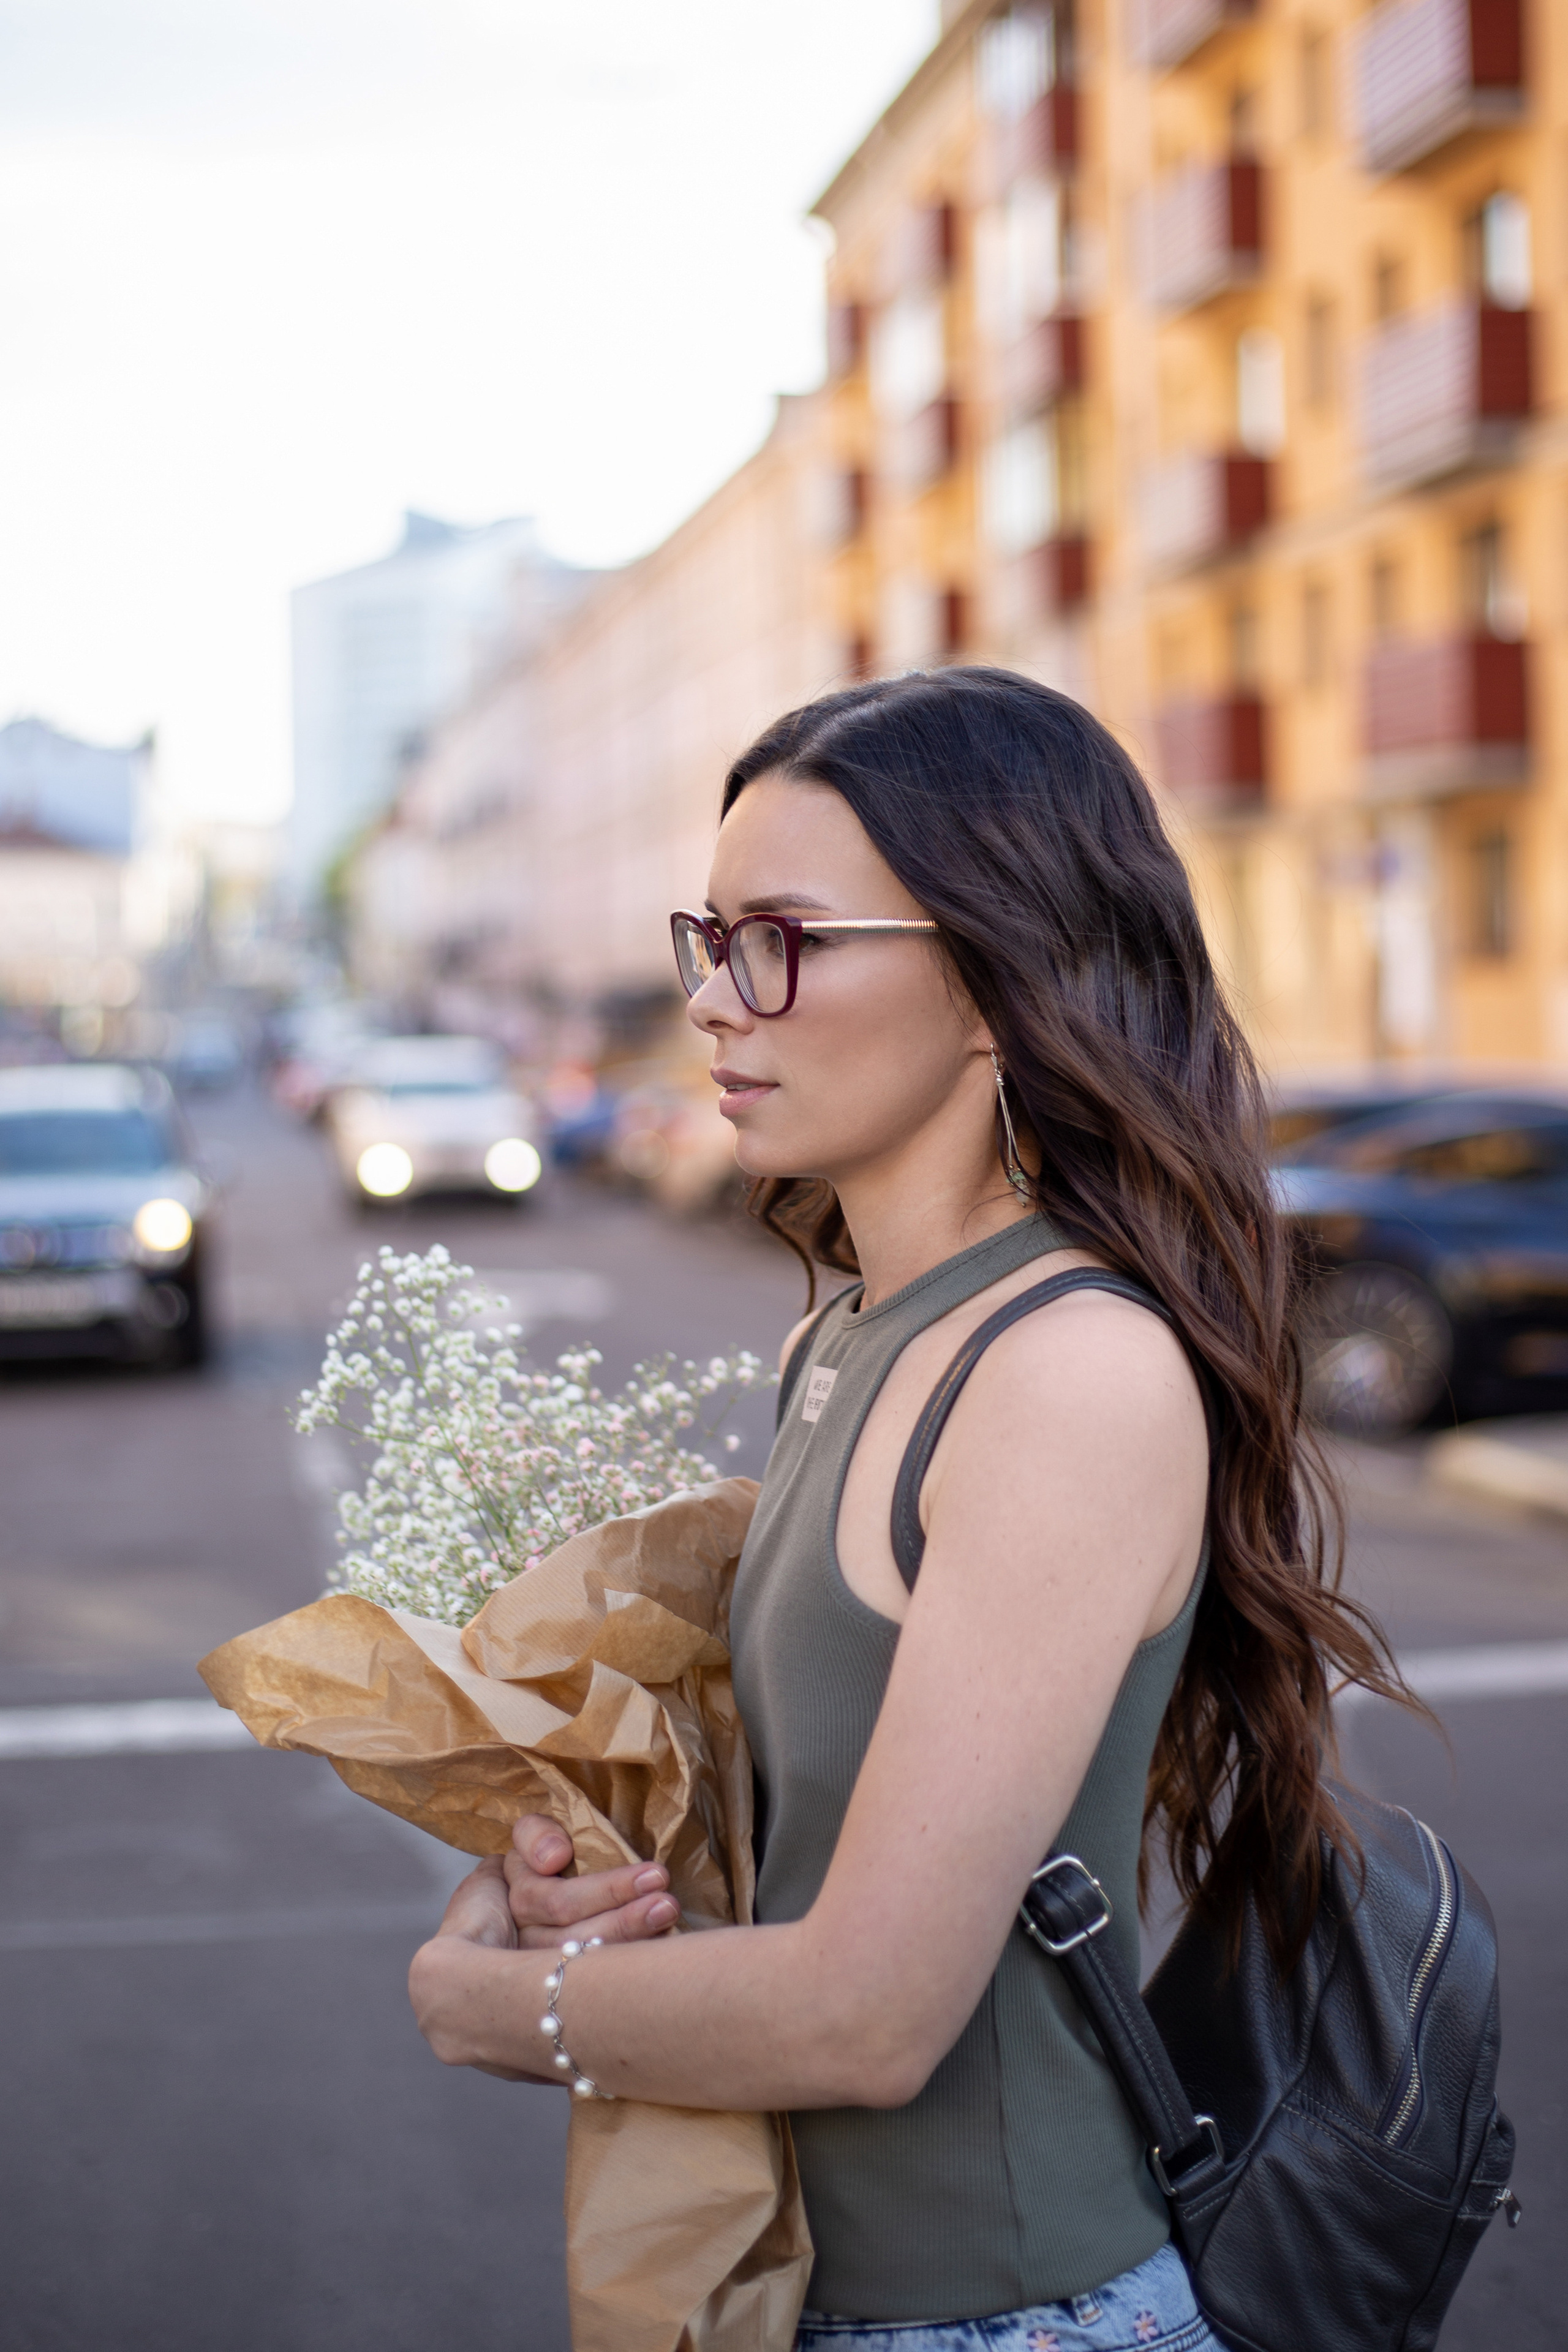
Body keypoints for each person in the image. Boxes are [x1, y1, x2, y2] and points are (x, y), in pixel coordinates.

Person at [409, 669, 1408, 2350]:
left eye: (783, 940)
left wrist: (493, 2003)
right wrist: (595, 1899)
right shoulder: (847, 1334)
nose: (713, 1002)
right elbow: (814, 1857)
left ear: (998, 979)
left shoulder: (1065, 1372)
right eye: (708, 939)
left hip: (1014, 2319)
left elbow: (872, 2014)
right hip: (806, 2292)